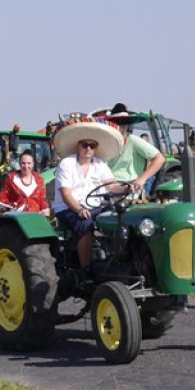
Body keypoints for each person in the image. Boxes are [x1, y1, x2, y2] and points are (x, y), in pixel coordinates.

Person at [50, 118, 129, 276]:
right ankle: (86, 271)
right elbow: (66, 194)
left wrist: (127, 188)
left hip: (96, 207)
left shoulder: (100, 164)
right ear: (78, 146)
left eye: (91, 145)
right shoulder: (67, 164)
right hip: (68, 208)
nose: (88, 148)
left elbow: (111, 186)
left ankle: (117, 262)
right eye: (84, 145)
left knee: (121, 219)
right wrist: (78, 209)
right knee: (85, 224)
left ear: (95, 148)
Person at [105, 103, 165, 198]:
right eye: (118, 123)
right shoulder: (105, 144)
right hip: (107, 193)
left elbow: (159, 158)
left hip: (129, 194)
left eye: (124, 124)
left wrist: (142, 179)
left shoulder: (133, 140)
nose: (122, 127)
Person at [0, 150, 50, 216]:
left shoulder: (39, 179)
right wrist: (1, 208)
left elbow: (42, 198)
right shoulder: (11, 178)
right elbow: (4, 196)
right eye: (23, 163)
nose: (26, 166)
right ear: (19, 163)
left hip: (35, 217)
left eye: (29, 163)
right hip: (17, 217)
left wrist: (45, 211)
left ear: (33, 164)